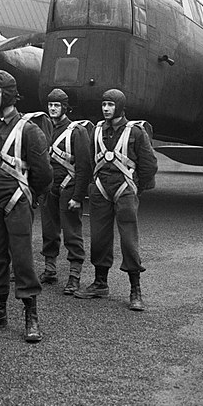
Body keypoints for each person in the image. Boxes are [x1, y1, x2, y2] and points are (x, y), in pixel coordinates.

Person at [0, 70, 52, 343]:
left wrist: (30, 196)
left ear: (9, 96)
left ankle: (31, 316)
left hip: (17, 202)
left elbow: (43, 174)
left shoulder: (29, 130)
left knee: (23, 259)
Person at [75, 89, 157, 311]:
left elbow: (149, 164)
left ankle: (135, 289)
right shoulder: (96, 131)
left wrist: (136, 188)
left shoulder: (136, 132)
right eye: (104, 104)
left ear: (119, 107)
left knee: (129, 239)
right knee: (99, 237)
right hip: (101, 188)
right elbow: (89, 161)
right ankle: (100, 283)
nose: (106, 109)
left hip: (125, 189)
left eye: (110, 105)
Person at [40, 89, 92, 294]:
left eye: (57, 105)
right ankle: (50, 270)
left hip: (69, 188)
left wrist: (78, 197)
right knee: (49, 231)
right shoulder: (45, 129)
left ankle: (74, 276)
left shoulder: (76, 131)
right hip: (49, 188)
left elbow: (84, 166)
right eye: (50, 104)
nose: (53, 108)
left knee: (72, 233)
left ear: (65, 107)